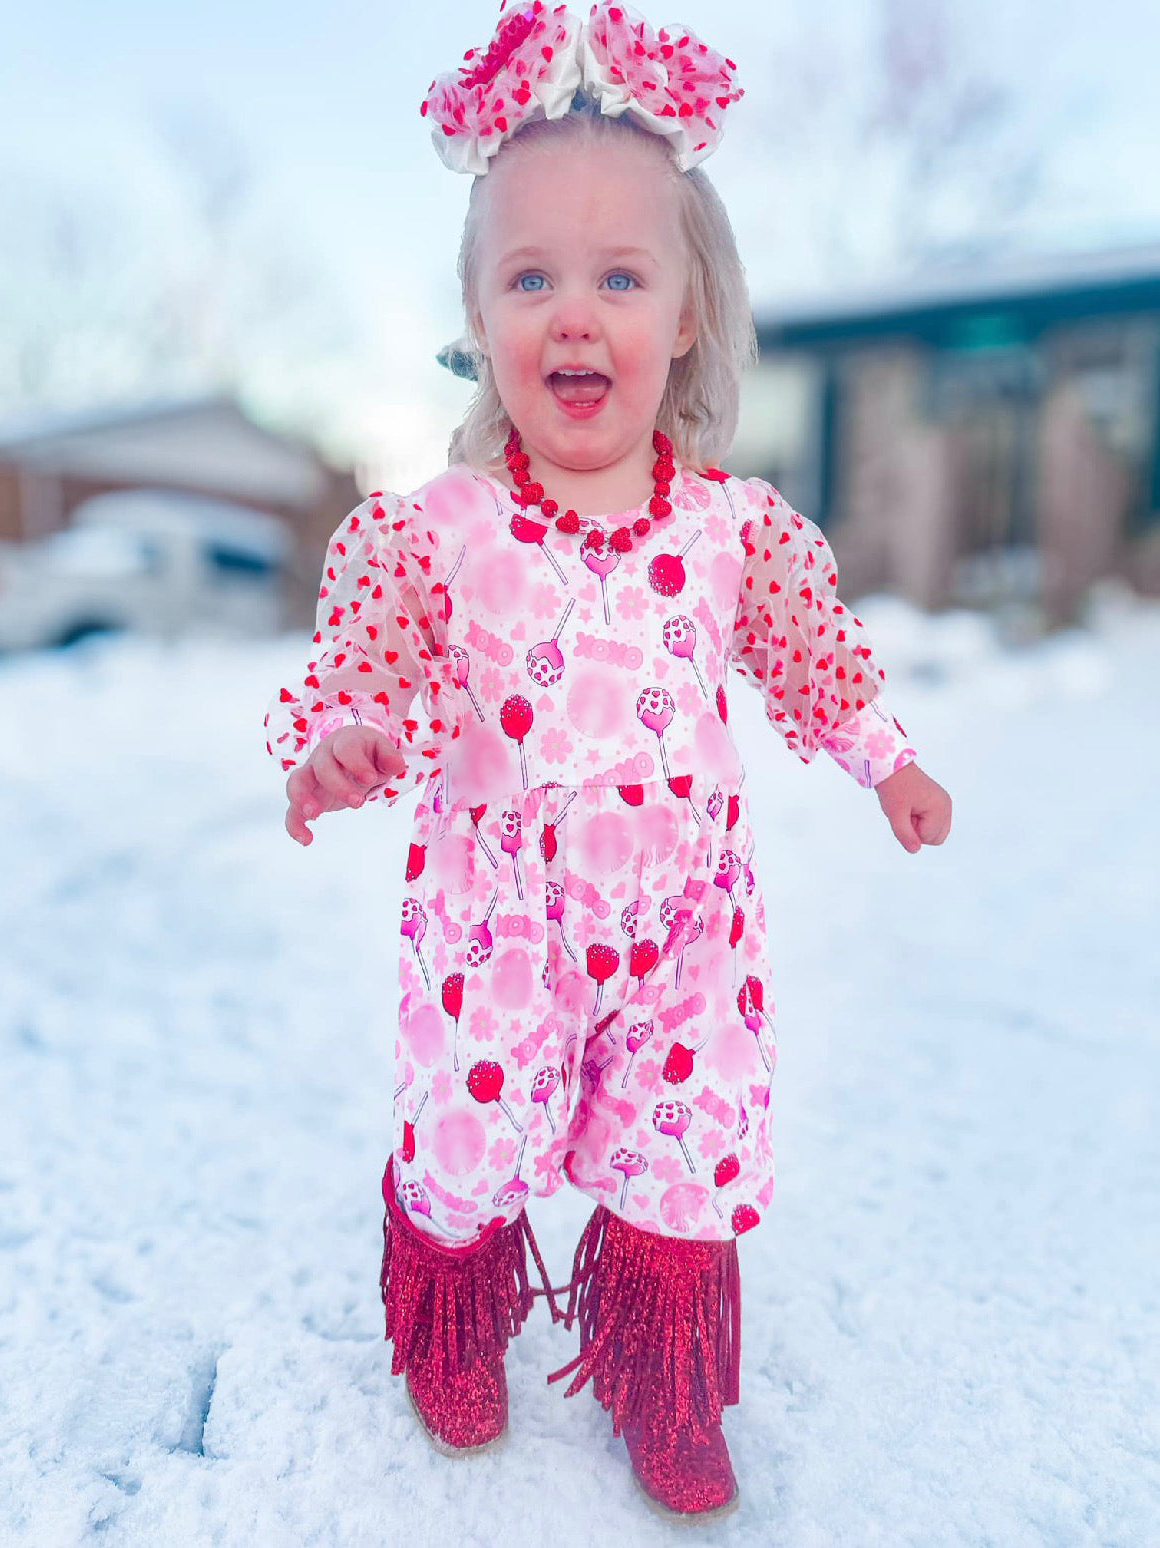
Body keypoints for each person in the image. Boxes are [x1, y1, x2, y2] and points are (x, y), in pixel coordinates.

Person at [263, 0, 953, 1524]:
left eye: (620, 276)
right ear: (480, 315)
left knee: (686, 1149)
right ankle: (452, 1308)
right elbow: (365, 658)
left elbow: (814, 657)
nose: (576, 315)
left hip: (687, 928)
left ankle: (659, 1369)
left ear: (689, 314)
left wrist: (885, 756)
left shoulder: (731, 532)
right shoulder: (434, 534)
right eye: (532, 278)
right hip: (498, 931)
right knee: (470, 1137)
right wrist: (348, 740)